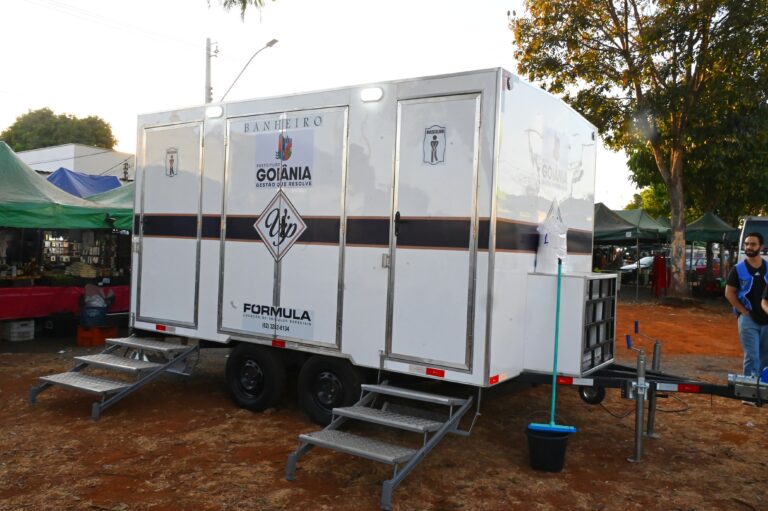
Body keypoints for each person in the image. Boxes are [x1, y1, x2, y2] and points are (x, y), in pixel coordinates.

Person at [725, 232, 768, 377]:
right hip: (748, 318)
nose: (749, 247)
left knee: (766, 357)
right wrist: (743, 311)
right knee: (752, 356)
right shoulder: (737, 269)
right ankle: (749, 392)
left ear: (761, 247)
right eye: (747, 244)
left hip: (767, 318)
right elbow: (729, 293)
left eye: (753, 244)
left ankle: (763, 389)